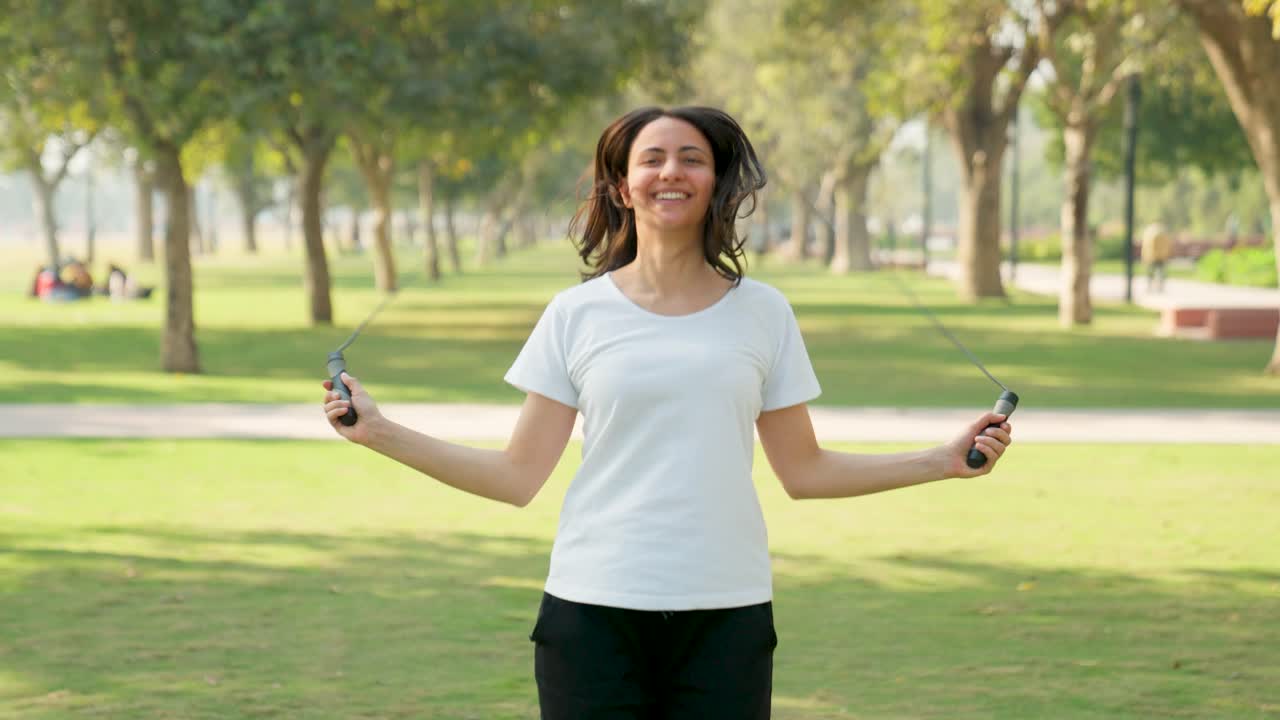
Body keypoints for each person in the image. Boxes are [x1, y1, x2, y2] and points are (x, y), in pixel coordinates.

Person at [321, 106, 1014, 719]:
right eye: (650, 159)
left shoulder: (764, 313)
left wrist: (940, 462)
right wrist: (379, 432)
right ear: (623, 187)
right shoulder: (576, 313)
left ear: (717, 183)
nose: (670, 171)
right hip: (591, 613)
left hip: (727, 614)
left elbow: (803, 471)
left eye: (692, 158)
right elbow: (515, 476)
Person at [1140, 222, 1173, 293]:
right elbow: (1168, 245)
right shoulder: (1163, 233)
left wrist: (1144, 256)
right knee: (1161, 271)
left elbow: (1146, 246)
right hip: (1162, 255)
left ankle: (1150, 286)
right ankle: (1160, 286)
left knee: (1151, 272)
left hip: (1151, 256)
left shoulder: (1149, 233)